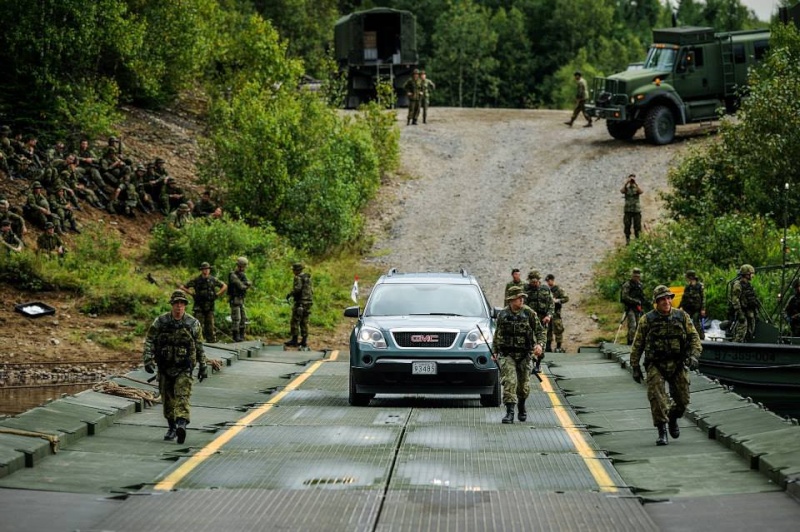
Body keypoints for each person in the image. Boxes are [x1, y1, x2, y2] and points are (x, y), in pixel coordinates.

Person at [630, 285, 701, 446]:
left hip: (677, 363)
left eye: (668, 298)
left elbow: (694, 338)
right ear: (656, 302)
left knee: (683, 401)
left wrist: (694, 355)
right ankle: (662, 431)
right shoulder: (647, 320)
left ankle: (673, 417)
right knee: (657, 398)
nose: (666, 301)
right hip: (656, 364)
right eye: (662, 299)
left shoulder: (682, 316)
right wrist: (635, 366)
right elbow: (637, 344)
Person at [142, 290, 207, 444]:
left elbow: (199, 346)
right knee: (167, 399)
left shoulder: (193, 323)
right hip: (165, 367)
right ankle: (172, 426)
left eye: (182, 304)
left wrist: (203, 365)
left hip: (184, 367)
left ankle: (181, 424)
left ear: (185, 306)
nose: (179, 306)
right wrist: (147, 359)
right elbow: (150, 340)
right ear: (172, 305)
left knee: (182, 395)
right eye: (176, 303)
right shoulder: (161, 321)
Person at [493, 286, 546, 424]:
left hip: (524, 354)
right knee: (509, 382)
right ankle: (509, 412)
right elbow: (497, 333)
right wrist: (495, 350)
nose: (521, 299)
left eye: (522, 297)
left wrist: (540, 345)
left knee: (523, 386)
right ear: (511, 300)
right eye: (518, 297)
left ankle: (521, 405)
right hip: (508, 354)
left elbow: (540, 331)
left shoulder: (529, 313)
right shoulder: (503, 315)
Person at [181, 262, 227, 343]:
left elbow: (224, 286)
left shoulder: (213, 279)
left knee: (210, 327)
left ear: (209, 270)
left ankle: (212, 343)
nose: (206, 271)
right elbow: (183, 286)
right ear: (201, 270)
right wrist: (192, 293)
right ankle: (195, 342)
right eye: (204, 269)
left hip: (210, 306)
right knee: (197, 326)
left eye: (207, 269)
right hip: (199, 306)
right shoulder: (196, 280)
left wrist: (217, 294)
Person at [285, 262, 313, 348]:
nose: (293, 271)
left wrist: (290, 294)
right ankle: (304, 341)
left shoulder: (298, 278)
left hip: (300, 302)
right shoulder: (307, 277)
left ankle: (294, 340)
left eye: (294, 270)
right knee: (304, 321)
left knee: (295, 321)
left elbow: (298, 289)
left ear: (297, 270)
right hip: (308, 302)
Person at [730, 264, 760, 342]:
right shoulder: (738, 285)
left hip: (750, 312)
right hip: (742, 312)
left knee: (750, 333)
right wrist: (740, 314)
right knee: (740, 334)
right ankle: (734, 350)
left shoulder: (748, 285)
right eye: (751, 274)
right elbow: (735, 300)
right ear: (746, 274)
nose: (752, 276)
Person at [228, 256, 253, 342]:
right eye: (244, 266)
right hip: (235, 300)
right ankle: (236, 337)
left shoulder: (242, 275)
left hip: (241, 299)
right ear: (240, 266)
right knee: (236, 318)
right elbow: (241, 286)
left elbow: (248, 283)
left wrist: (246, 284)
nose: (245, 268)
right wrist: (246, 284)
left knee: (243, 318)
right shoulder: (232, 275)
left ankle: (241, 336)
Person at [545, 273, 570, 352]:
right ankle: (548, 346)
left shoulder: (558, 289)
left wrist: (558, 301)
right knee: (548, 330)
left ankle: (558, 346)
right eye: (547, 281)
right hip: (548, 313)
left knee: (558, 329)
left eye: (549, 281)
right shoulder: (546, 290)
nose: (548, 283)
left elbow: (566, 298)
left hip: (556, 313)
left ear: (552, 280)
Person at [621, 267, 646, 345]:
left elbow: (642, 296)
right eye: (635, 276)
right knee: (633, 326)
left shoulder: (640, 285)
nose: (636, 278)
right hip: (630, 308)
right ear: (632, 276)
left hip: (638, 308)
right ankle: (630, 341)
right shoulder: (627, 285)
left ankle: (637, 342)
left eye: (638, 276)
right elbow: (624, 297)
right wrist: (635, 301)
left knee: (639, 326)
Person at [679, 270, 706, 340]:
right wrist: (680, 306)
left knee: (696, 322)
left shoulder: (700, 286)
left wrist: (703, 309)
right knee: (684, 321)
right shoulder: (687, 287)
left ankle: (700, 337)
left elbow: (703, 298)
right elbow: (683, 298)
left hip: (697, 308)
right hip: (688, 308)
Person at [620, 174, 643, 244]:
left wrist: (635, 183)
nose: (632, 180)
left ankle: (638, 240)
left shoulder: (636, 188)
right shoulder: (627, 189)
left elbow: (641, 192)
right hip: (628, 210)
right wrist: (626, 183)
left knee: (637, 226)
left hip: (636, 210)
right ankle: (628, 239)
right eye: (631, 179)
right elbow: (622, 191)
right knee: (627, 225)